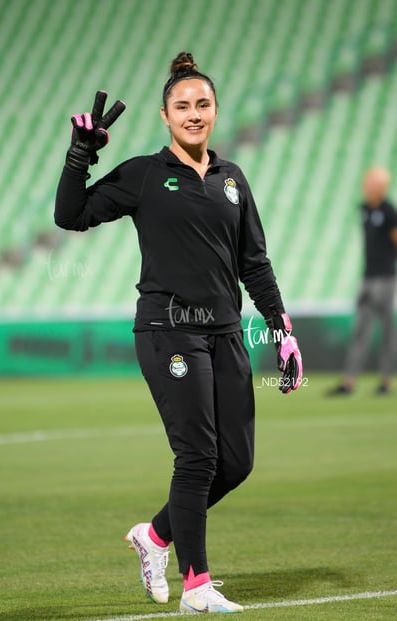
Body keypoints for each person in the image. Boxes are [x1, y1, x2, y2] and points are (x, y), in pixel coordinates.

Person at [55, 52, 303, 614]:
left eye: (203, 104)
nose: (194, 114)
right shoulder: (144, 174)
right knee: (196, 458)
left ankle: (156, 537)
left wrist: (281, 331)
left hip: (225, 333)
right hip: (169, 330)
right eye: (182, 106)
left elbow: (255, 264)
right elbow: (71, 215)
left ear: (215, 110)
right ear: (164, 116)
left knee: (235, 463)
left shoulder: (232, 179)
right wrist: (79, 157)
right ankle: (197, 587)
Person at [329, 167, 397, 395]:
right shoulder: (364, 209)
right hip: (367, 278)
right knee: (361, 330)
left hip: (385, 279)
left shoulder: (389, 212)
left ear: (380, 187)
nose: (365, 186)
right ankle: (349, 380)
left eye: (369, 183)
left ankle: (386, 380)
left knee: (387, 331)